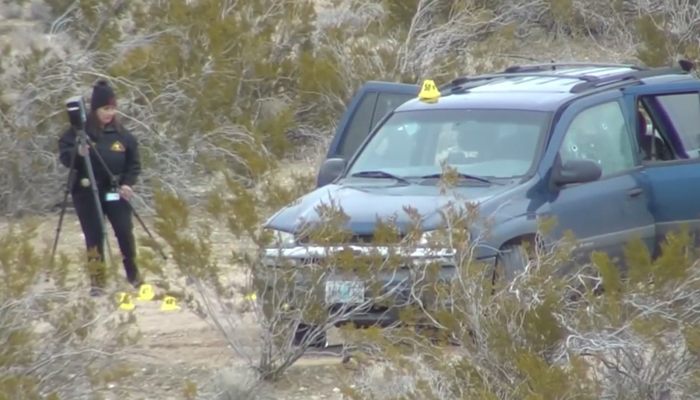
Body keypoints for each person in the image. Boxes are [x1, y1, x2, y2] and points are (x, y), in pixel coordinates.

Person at [57, 80, 143, 296]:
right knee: (94, 235)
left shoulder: (123, 135)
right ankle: (98, 283)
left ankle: (134, 276)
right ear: (95, 109)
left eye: (113, 108)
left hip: (115, 191)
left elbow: (134, 163)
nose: (109, 113)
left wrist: (127, 183)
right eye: (105, 108)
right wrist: (79, 153)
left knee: (124, 231)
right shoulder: (78, 133)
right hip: (87, 192)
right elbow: (66, 157)